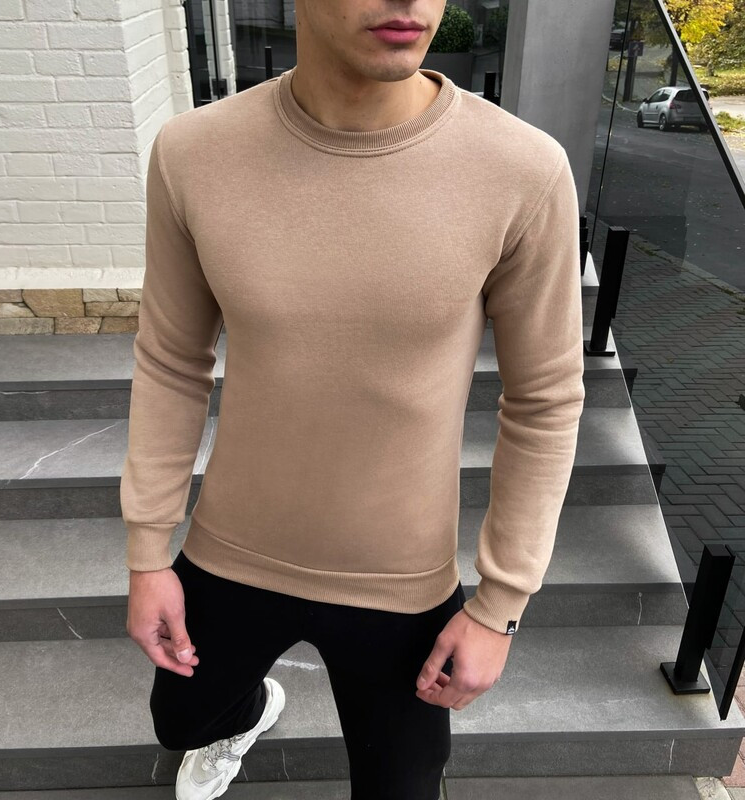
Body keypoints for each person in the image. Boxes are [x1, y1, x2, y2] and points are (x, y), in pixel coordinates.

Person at [121, 1, 586, 798]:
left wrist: (500, 604)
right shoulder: (194, 152)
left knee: (400, 787)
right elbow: (171, 360)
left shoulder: (521, 169)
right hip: (234, 549)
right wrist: (146, 552)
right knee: (182, 722)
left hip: (401, 578)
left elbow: (544, 399)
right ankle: (250, 713)